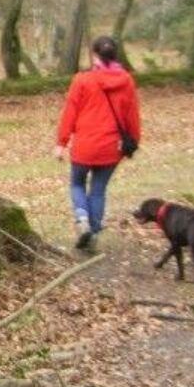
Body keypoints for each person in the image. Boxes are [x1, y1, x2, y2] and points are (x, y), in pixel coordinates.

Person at [53, 35, 141, 251]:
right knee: (99, 190)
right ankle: (92, 233)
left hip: (85, 145)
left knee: (76, 184)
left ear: (94, 54)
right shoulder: (127, 81)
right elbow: (132, 115)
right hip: (112, 147)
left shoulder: (82, 80)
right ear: (115, 54)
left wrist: (61, 142)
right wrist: (134, 140)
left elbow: (69, 113)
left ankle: (82, 219)